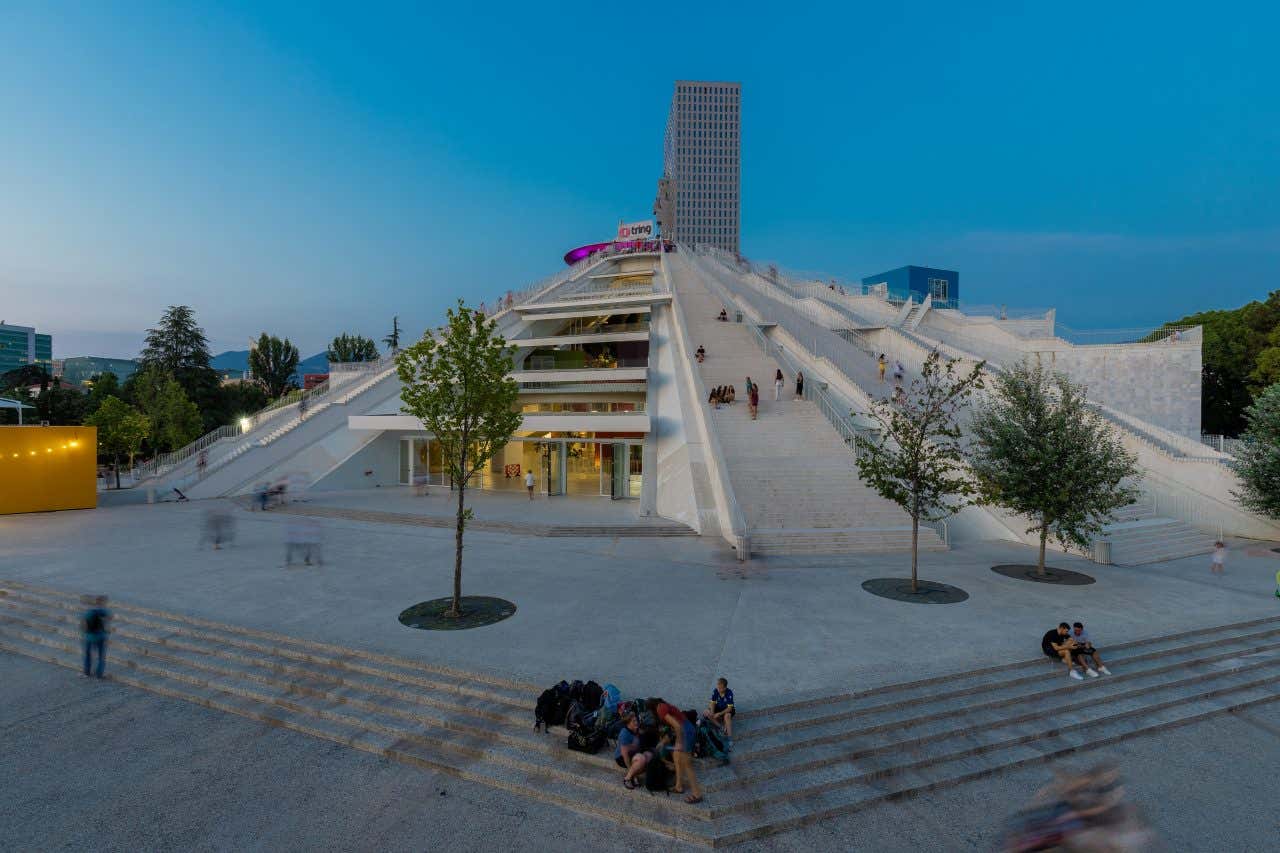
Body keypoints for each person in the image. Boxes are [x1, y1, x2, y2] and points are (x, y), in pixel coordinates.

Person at [655, 701, 703, 804]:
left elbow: (677, 726)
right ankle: (679, 786)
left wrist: (679, 742)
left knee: (687, 765)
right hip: (685, 729)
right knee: (676, 757)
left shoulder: (661, 709)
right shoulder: (663, 705)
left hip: (685, 732)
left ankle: (697, 794)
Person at [81, 595, 111, 679]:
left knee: (87, 655)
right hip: (100, 636)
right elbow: (109, 619)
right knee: (101, 656)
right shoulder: (103, 611)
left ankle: (87, 672)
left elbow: (83, 625)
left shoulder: (87, 612)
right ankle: (99, 674)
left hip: (88, 637)